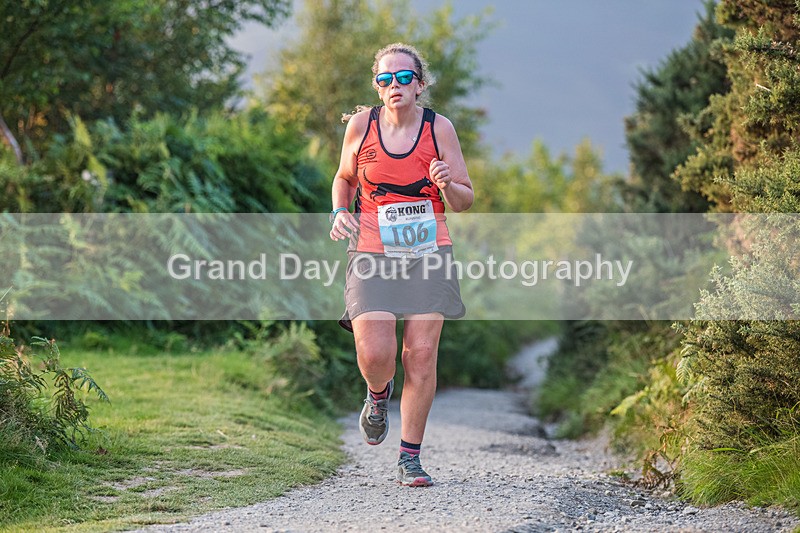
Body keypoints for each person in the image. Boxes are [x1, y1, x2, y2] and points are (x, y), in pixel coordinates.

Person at [329, 43, 473, 487]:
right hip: (371, 252)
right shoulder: (360, 126)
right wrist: (340, 211)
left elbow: (466, 200)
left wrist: (448, 185)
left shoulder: (439, 129)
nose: (394, 85)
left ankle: (410, 458)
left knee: (421, 355)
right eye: (385, 79)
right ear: (377, 85)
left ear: (420, 84)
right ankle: (377, 395)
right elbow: (344, 177)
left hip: (428, 252)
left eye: (404, 77)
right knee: (375, 354)